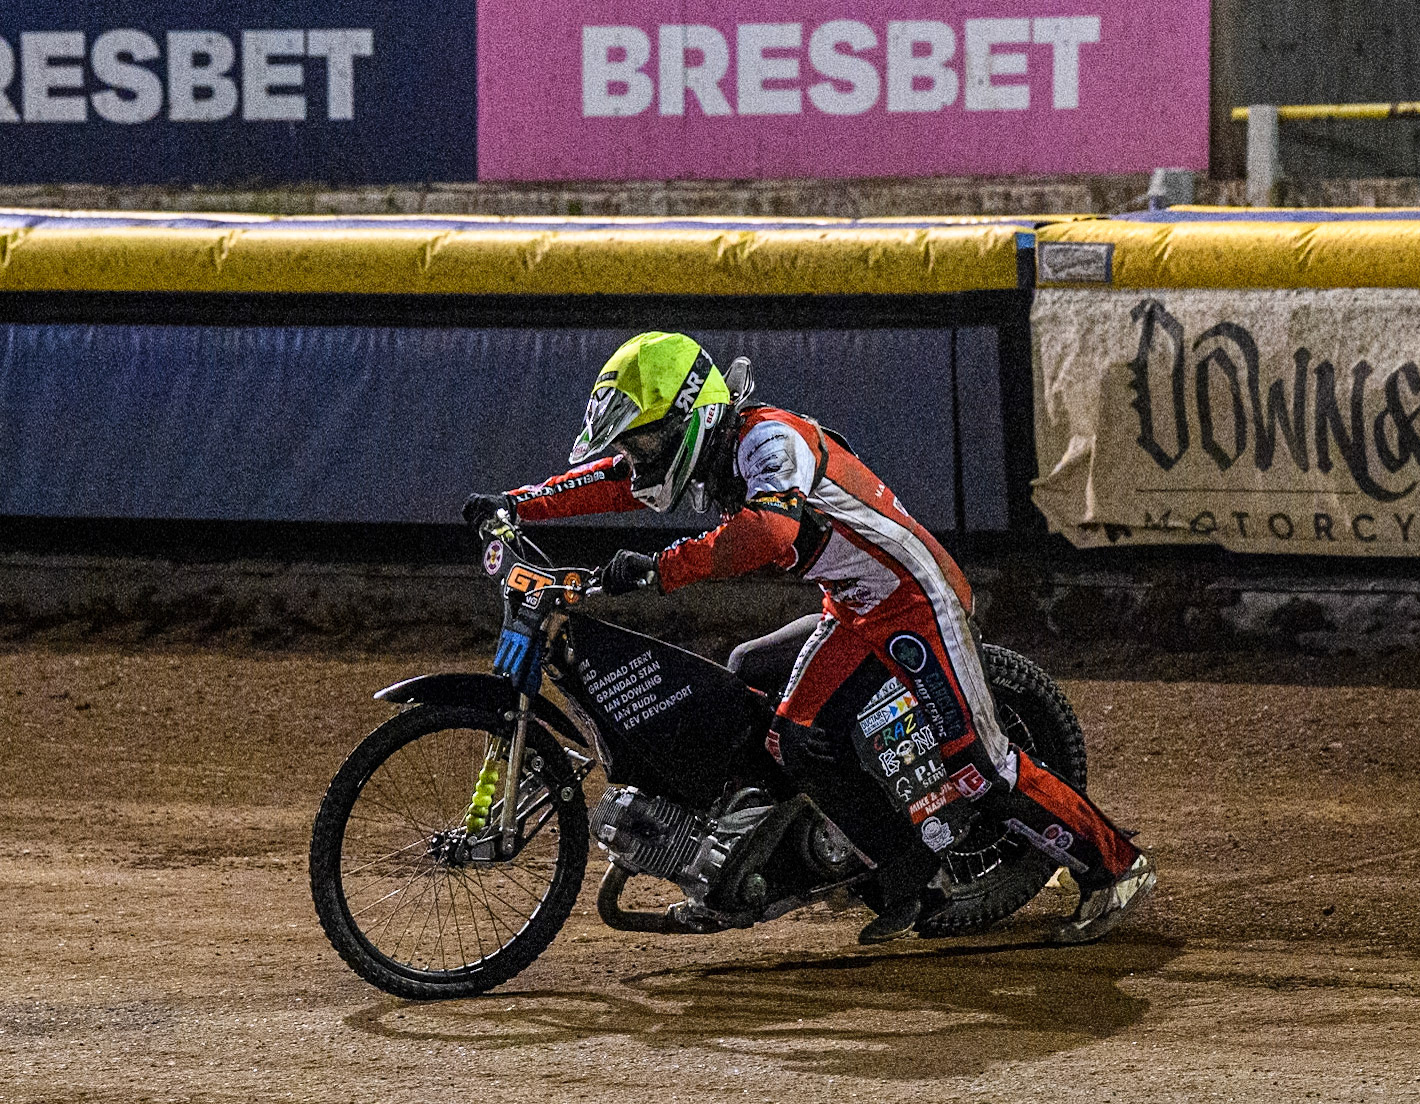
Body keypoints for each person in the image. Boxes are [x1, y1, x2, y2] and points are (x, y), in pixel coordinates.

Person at [464, 332, 1154, 944]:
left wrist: (662, 567)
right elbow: (614, 483)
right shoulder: (712, 453)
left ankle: (1115, 867)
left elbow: (770, 531)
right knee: (790, 735)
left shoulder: (769, 439)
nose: (638, 456)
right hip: (854, 606)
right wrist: (519, 503)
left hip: (915, 602)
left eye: (645, 439)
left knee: (977, 761)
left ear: (693, 415)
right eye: (633, 442)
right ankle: (904, 877)